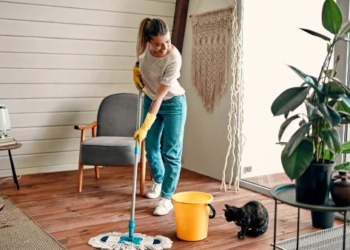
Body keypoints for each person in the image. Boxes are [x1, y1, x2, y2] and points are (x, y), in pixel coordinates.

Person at [133, 18, 187, 216]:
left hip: (173, 103)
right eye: (159, 43)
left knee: (171, 152)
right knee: (151, 148)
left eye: (168, 41)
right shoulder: (142, 48)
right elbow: (140, 62)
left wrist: (146, 124)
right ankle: (158, 179)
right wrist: (135, 71)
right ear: (148, 41)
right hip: (149, 99)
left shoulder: (174, 58)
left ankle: (166, 197)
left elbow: (160, 96)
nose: (165, 47)